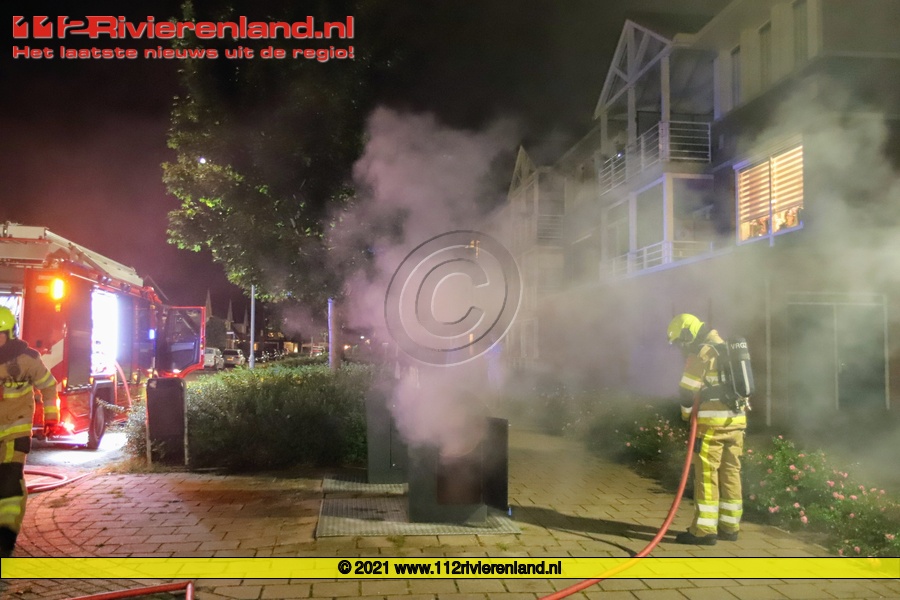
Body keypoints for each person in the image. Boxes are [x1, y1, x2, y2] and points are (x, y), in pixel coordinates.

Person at [666, 313, 746, 546]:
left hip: (713, 425)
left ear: (688, 334)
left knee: (707, 475)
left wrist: (685, 415)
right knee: (731, 473)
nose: (682, 347)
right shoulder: (727, 348)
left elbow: (686, 389)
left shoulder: (702, 353)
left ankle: (704, 530)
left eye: (681, 342)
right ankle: (730, 527)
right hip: (737, 422)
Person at [0, 306, 59, 558]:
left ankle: (5, 536)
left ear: (10, 334)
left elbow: (48, 385)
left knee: (9, 483)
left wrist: (51, 417)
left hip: (14, 433)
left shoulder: (27, 360)